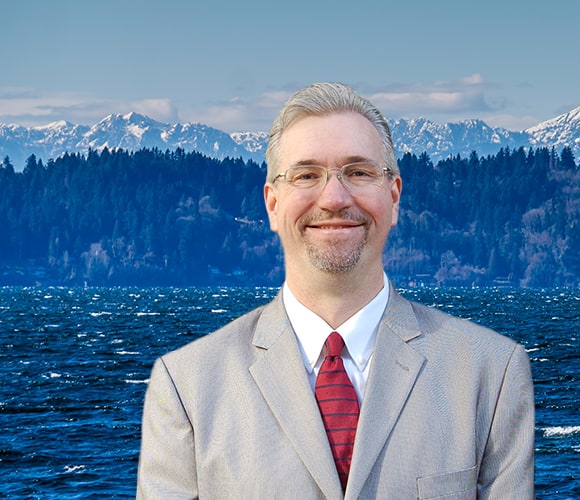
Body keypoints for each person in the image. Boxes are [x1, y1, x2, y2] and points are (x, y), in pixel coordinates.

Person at [137, 82, 534, 499]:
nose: (334, 197)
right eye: (307, 175)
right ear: (272, 204)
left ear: (394, 197)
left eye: (359, 172)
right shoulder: (186, 386)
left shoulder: (492, 371)